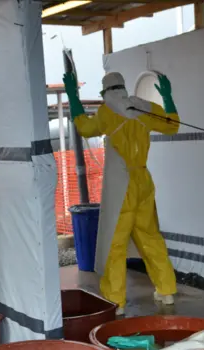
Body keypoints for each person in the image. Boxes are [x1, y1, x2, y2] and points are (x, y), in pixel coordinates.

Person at [63, 71, 179, 315]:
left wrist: (73, 97)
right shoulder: (143, 107)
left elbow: (84, 128)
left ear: (105, 92)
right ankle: (166, 290)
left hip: (120, 185)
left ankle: (117, 301)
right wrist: (168, 98)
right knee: (150, 237)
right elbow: (172, 125)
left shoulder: (106, 113)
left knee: (116, 243)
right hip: (143, 180)